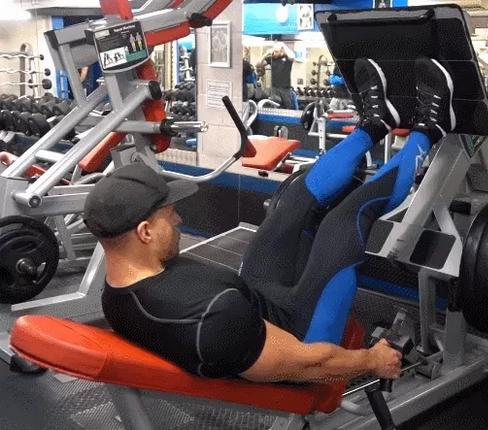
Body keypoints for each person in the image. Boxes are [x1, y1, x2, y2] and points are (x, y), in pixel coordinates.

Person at [84, 56, 455, 383]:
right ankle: (431, 129)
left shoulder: (115, 293)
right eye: (169, 216)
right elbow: (310, 364)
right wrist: (372, 360)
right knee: (346, 218)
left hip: (251, 302)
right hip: (303, 337)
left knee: (293, 202)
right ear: (145, 232)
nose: (179, 219)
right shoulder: (212, 320)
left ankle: (375, 125)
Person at [261, 42, 297, 109]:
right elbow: (259, 64)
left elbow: (292, 56)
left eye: (276, 51)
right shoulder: (272, 58)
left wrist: (283, 46)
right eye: (274, 51)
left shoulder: (287, 58)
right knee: (274, 107)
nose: (274, 53)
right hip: (274, 88)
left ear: (281, 51)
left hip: (285, 88)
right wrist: (266, 53)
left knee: (288, 107)